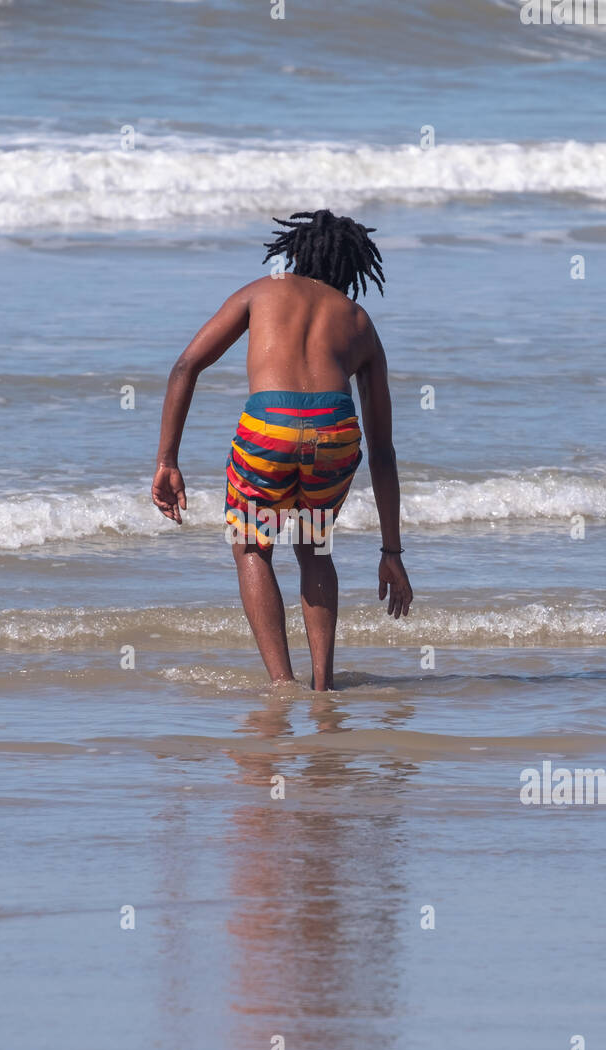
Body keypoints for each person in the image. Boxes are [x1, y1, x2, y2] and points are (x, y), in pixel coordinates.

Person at [152, 208, 413, 690]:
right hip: (333, 435)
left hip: (268, 431)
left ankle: (281, 683)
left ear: (294, 253)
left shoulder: (260, 292)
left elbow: (186, 366)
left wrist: (168, 459)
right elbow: (383, 450)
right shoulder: (358, 319)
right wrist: (392, 551)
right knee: (314, 547)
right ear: (350, 269)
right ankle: (322, 685)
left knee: (252, 543)